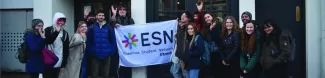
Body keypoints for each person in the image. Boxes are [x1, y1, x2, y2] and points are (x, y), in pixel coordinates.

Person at [85, 10, 117, 78]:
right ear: (96, 16)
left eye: (102, 15)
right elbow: (88, 41)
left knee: (106, 74)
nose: (101, 17)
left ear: (104, 17)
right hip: (95, 55)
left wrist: (111, 51)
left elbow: (113, 41)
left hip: (106, 55)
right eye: (99, 15)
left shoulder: (109, 27)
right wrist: (90, 52)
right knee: (94, 75)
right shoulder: (91, 27)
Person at [44, 12, 70, 78]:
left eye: (63, 21)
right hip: (48, 59)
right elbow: (48, 41)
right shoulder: (48, 30)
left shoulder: (65, 33)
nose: (61, 23)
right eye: (59, 20)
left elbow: (66, 49)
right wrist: (56, 32)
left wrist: (64, 64)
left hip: (58, 60)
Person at [199, 13, 222, 78]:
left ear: (212, 16)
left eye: (208, 17)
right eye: (205, 18)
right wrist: (210, 29)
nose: (207, 19)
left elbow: (218, 38)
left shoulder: (218, 25)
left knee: (217, 71)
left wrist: (212, 29)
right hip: (208, 53)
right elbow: (203, 37)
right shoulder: (205, 27)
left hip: (217, 52)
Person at [171, 11, 193, 78]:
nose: (182, 17)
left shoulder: (188, 27)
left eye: (185, 16)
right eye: (182, 15)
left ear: (188, 19)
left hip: (183, 54)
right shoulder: (180, 26)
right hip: (179, 53)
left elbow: (185, 39)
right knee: (173, 71)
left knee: (177, 72)